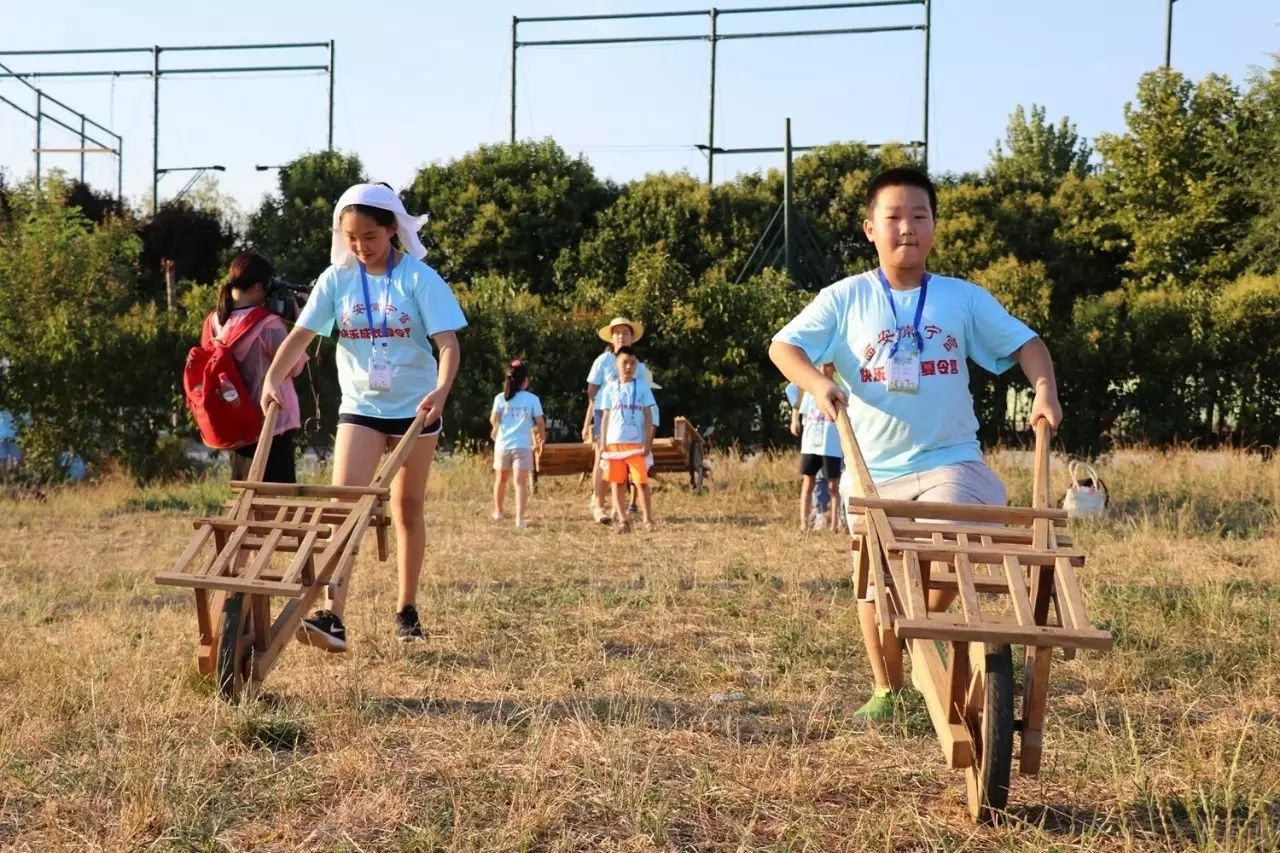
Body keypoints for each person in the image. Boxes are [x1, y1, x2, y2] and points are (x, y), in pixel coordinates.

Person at [768, 166, 1062, 722]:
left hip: (950, 460)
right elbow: (784, 347)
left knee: (954, 546)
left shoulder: (961, 299)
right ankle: (888, 687)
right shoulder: (846, 298)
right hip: (872, 469)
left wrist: (1044, 391)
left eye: (919, 216)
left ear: (933, 227)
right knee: (872, 576)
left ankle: (924, 632)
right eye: (894, 217)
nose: (907, 228)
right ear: (869, 229)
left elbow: (1028, 344)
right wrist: (819, 383)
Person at [261, 182, 466, 651]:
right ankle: (333, 615)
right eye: (351, 237)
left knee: (406, 508)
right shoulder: (337, 279)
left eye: (370, 237)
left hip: (417, 408)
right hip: (361, 407)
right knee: (344, 508)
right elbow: (301, 335)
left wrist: (441, 390)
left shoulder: (419, 278)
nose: (360, 246)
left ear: (392, 229)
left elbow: (448, 345)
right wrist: (274, 377)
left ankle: (406, 608)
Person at [208, 252, 308, 484]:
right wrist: (301, 324)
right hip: (272, 420)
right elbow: (294, 367)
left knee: (246, 498)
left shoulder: (215, 321)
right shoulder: (267, 324)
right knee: (275, 502)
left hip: (239, 420)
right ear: (256, 287)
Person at [582, 317, 653, 524]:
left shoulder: (640, 366)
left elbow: (647, 401)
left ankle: (619, 507)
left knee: (632, 466)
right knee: (602, 459)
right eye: (617, 333)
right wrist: (589, 420)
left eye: (626, 333)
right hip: (606, 414)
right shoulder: (602, 361)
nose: (621, 336)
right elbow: (592, 391)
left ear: (632, 338)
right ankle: (598, 503)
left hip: (632, 418)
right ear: (611, 338)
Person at [597, 346, 657, 532]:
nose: (628, 367)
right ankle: (623, 519)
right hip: (614, 442)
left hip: (636, 443)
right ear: (616, 364)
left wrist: (648, 441)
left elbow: (649, 415)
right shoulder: (609, 389)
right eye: (624, 363)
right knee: (617, 481)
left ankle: (648, 520)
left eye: (632, 363)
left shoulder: (642, 387)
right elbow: (605, 416)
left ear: (637, 365)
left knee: (641, 481)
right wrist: (602, 443)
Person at [489, 359, 545, 528]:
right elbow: (540, 422)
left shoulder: (500, 398)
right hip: (522, 446)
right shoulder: (532, 399)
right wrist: (541, 436)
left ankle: (498, 511)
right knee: (520, 482)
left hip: (502, 445)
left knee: (501, 479)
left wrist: (497, 427)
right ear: (525, 381)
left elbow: (493, 419)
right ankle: (520, 519)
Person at [793, 364, 844, 532]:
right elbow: (799, 406)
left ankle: (834, 525)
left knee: (833, 486)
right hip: (811, 444)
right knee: (808, 483)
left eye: (827, 366)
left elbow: (835, 415)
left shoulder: (839, 390)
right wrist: (794, 420)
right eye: (819, 366)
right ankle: (804, 524)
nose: (823, 370)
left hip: (831, 446)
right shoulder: (809, 390)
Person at [786, 382, 831, 527]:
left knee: (832, 482)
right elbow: (793, 391)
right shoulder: (808, 381)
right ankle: (812, 517)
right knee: (811, 481)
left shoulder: (836, 382)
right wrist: (794, 420)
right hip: (811, 441)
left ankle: (829, 516)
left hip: (830, 442)